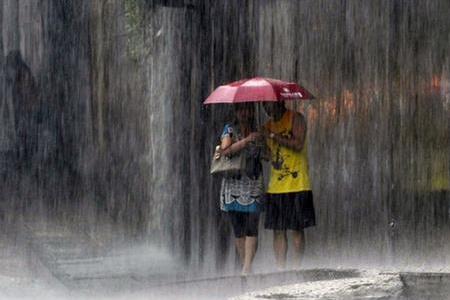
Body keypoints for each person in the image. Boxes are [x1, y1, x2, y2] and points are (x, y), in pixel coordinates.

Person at [262, 102, 316, 269]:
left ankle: (297, 268)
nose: (266, 107)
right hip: (276, 186)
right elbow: (269, 156)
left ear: (280, 101)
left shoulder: (296, 118)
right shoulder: (267, 126)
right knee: (278, 230)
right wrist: (257, 144)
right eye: (264, 103)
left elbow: (298, 144)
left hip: (298, 183)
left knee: (297, 228)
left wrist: (272, 136)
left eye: (268, 103)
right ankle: (280, 269)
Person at [216, 103, 264, 275]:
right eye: (242, 109)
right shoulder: (229, 129)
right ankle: (246, 267)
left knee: (252, 225)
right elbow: (225, 151)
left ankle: (247, 267)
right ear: (236, 112)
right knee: (239, 229)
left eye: (248, 109)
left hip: (253, 183)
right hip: (234, 184)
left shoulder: (258, 130)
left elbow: (264, 155)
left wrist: (262, 143)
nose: (245, 112)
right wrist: (246, 141)